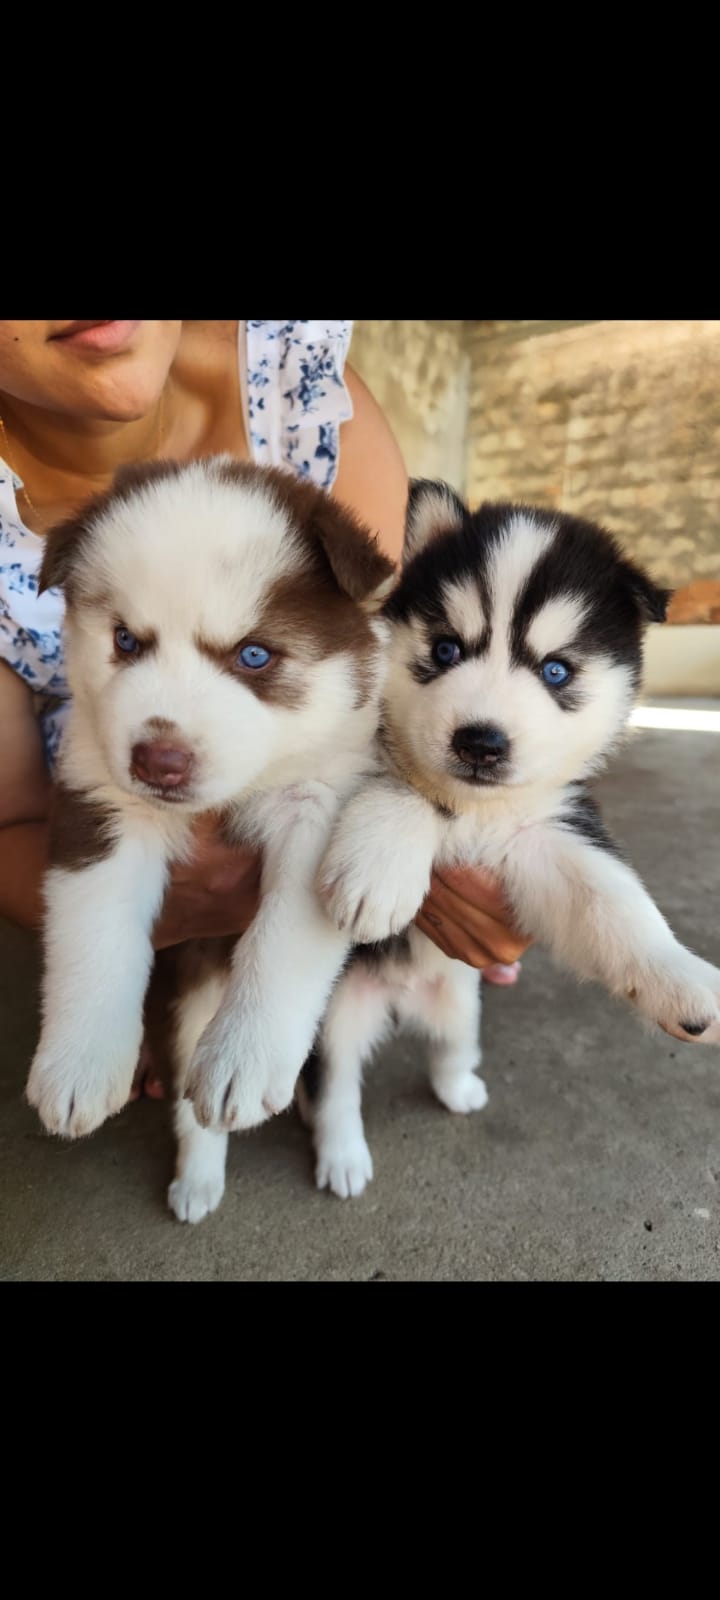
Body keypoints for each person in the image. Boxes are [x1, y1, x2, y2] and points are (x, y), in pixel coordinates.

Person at [0, 320, 528, 1097]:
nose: (166, 732)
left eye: (252, 656)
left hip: (311, 799)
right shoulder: (92, 550)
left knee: (326, 820)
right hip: (88, 846)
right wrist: (107, 1000)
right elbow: (31, 831)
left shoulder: (303, 392)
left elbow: (378, 712)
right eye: (128, 643)